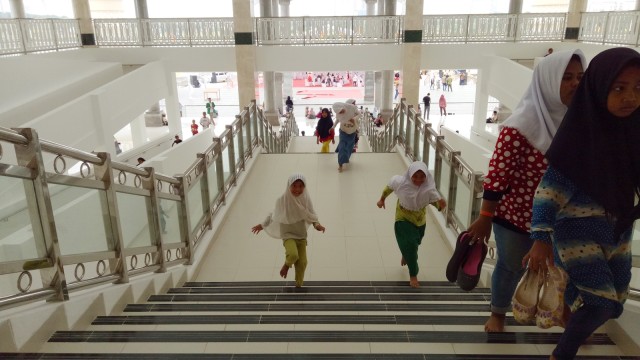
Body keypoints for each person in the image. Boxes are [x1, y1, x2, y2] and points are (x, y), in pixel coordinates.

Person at [524, 47, 640, 360]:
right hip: (577, 232)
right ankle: (561, 354)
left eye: (638, 88)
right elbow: (548, 192)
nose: (630, 97)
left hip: (619, 230)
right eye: (619, 88)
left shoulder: (632, 132)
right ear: (600, 88)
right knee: (602, 303)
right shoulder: (579, 139)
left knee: (616, 300)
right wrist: (540, 237)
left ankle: (568, 298)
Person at [464, 49, 586, 333]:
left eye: (580, 77)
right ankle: (498, 313)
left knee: (565, 271)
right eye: (566, 77)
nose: (575, 84)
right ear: (547, 82)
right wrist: (484, 217)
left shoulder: (580, 123)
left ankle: (565, 314)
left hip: (563, 218)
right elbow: (497, 177)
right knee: (511, 267)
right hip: (516, 218)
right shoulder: (519, 128)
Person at [377, 161, 446, 288]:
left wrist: (441, 206)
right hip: (402, 217)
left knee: (415, 242)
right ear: (410, 174)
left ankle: (406, 254)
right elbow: (389, 188)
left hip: (419, 221)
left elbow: (434, 202)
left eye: (422, 177)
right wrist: (382, 199)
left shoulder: (429, 188)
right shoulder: (401, 183)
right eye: (415, 176)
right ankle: (413, 275)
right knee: (411, 246)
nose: (418, 180)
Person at [251, 174, 326, 288]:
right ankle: (285, 266)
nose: (297, 189)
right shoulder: (282, 200)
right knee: (293, 254)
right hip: (288, 235)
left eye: (300, 186)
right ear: (288, 186)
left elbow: (311, 215)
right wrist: (262, 225)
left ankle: (298, 285)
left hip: (301, 236)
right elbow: (273, 214)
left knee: (303, 263)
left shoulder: (305, 200)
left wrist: (317, 225)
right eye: (294, 186)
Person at [332, 99, 359, 172]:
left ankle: (346, 158)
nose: (342, 112)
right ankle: (340, 164)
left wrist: (354, 119)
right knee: (342, 147)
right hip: (343, 131)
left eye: (342, 110)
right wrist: (333, 127)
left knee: (349, 147)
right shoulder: (339, 113)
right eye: (340, 112)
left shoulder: (352, 108)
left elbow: (360, 114)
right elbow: (337, 120)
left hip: (352, 132)